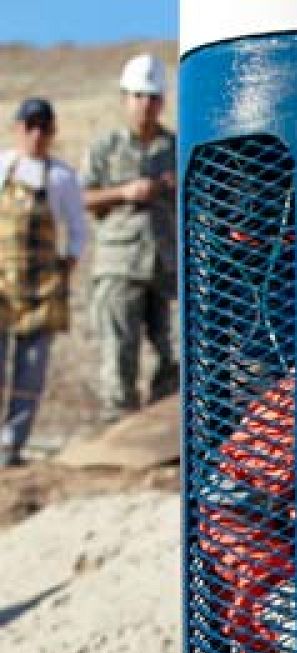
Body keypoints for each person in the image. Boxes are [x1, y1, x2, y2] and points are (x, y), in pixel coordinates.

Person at [82, 52, 178, 423]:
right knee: (119, 352)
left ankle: (163, 426)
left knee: (175, 352)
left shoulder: (175, 148)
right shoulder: (105, 147)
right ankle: (118, 426)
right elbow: (83, 197)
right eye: (138, 96)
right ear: (124, 99)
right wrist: (124, 192)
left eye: (153, 97)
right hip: (119, 265)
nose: (145, 105)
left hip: (167, 265)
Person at [0, 97, 86, 466]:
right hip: (2, 284)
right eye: (29, 126)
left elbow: (77, 229)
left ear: (52, 132)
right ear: (17, 128)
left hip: (42, 288)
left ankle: (11, 444)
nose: (36, 135)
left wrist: (67, 265)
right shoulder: (3, 166)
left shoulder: (62, 177)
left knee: (30, 371)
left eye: (43, 127)